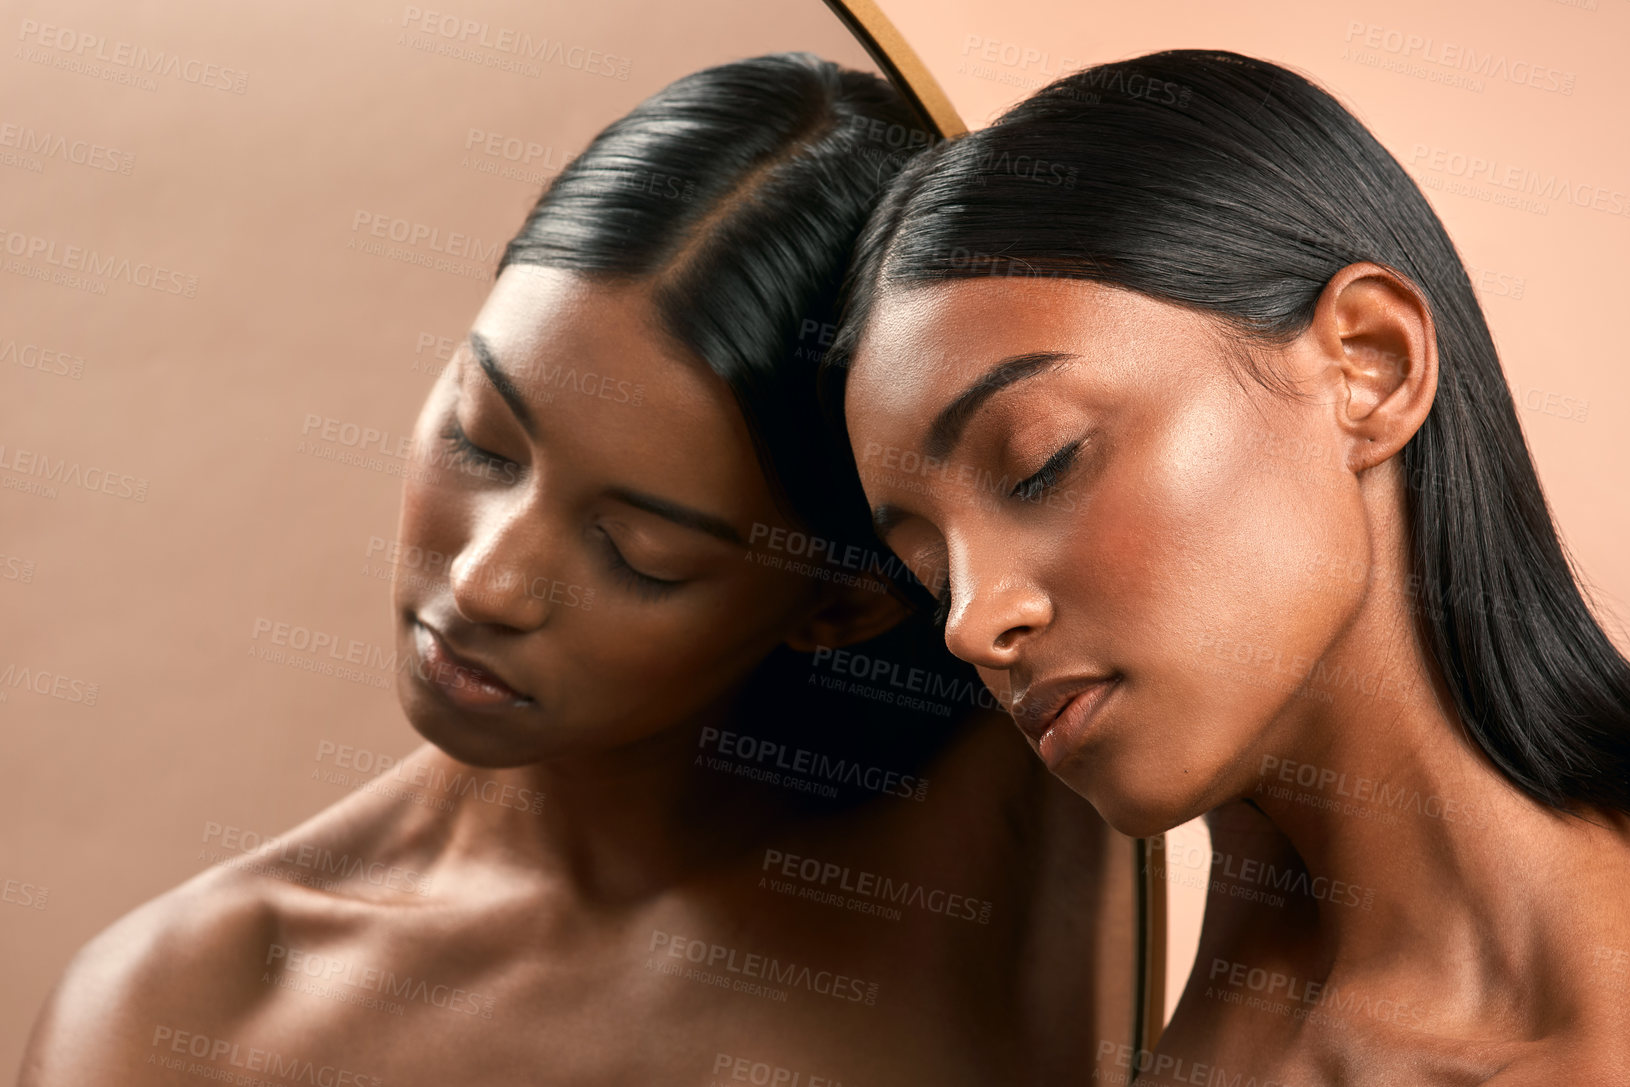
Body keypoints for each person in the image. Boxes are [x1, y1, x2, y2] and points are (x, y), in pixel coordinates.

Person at [20, 53, 1130, 1086]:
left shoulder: (1061, 793)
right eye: (482, 437)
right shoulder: (188, 1012)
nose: (488, 582)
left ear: (838, 599)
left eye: (639, 550)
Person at [826, 48, 1630, 1085]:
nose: (969, 622)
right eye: (930, 569)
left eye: (1039, 463)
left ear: (1369, 365)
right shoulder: (1275, 910)